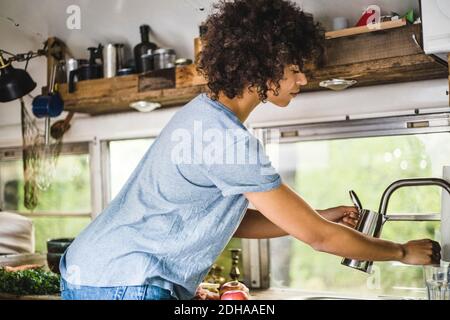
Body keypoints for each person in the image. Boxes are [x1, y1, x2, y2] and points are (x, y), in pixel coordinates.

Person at [59, 0, 441, 300]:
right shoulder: (225, 138)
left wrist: (319, 216)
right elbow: (319, 238)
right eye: (295, 68)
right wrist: (402, 252)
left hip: (93, 274)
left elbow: (230, 222)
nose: (303, 79)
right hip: (126, 281)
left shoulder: (205, 117)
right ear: (262, 67)